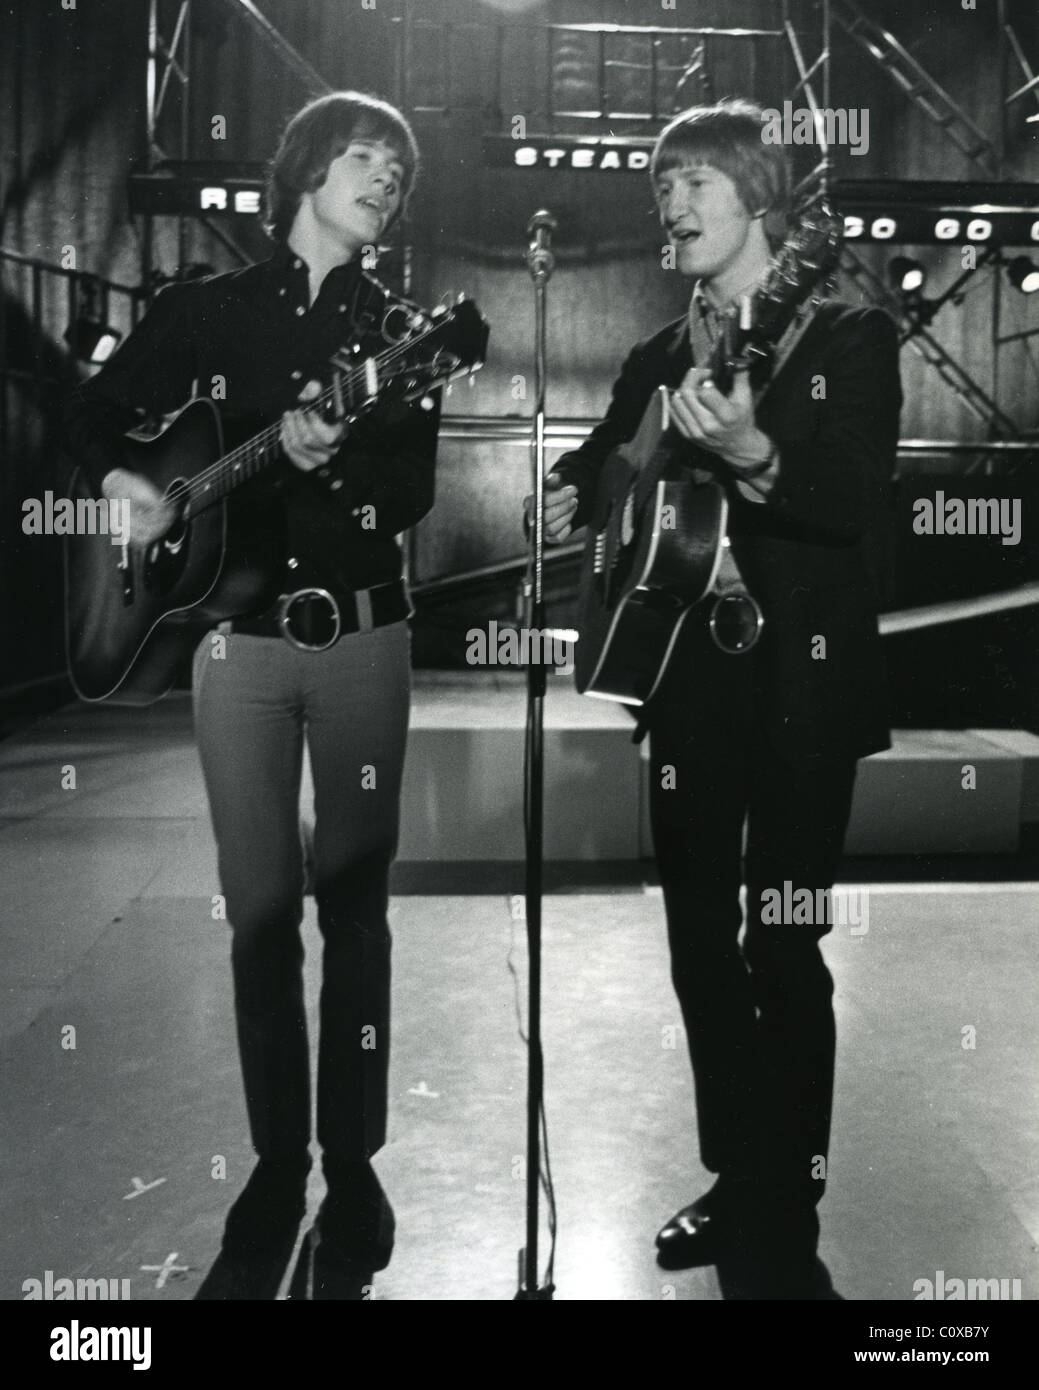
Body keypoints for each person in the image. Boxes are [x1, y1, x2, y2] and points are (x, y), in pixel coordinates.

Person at [62, 92, 442, 1299]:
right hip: (236, 651)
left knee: (359, 913)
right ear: (305, 167)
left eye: (400, 167)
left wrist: (340, 467)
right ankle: (278, 1161)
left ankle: (356, 1162)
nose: (385, 175)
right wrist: (131, 480)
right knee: (262, 918)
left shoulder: (402, 333)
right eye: (365, 155)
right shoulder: (201, 312)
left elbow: (414, 494)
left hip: (367, 642)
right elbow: (86, 414)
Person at [534, 100, 901, 1298]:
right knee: (698, 943)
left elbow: (847, 498)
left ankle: (786, 1190)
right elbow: (605, 463)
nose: (670, 204)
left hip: (801, 684)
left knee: (780, 942)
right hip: (686, 685)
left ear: (759, 198)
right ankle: (737, 1169)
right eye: (661, 186)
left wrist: (753, 456)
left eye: (694, 180)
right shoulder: (657, 354)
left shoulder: (845, 335)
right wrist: (573, 492)